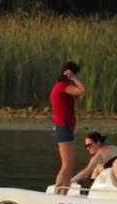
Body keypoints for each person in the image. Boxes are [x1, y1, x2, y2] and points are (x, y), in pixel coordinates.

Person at [50, 61, 86, 195]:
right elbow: (82, 91)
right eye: (76, 75)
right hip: (62, 128)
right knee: (66, 165)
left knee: (70, 165)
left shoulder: (63, 87)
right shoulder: (62, 87)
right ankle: (56, 193)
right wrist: (74, 79)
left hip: (67, 129)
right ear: (69, 74)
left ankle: (63, 195)